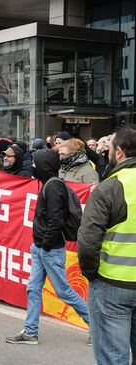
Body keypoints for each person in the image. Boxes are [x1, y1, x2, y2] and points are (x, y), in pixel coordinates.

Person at [6, 149, 89, 345]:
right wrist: (40, 245)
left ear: (43, 166)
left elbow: (56, 220)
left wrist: (45, 245)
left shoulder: (53, 187)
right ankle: (30, 332)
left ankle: (97, 326)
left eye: (35, 163)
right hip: (41, 247)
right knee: (33, 289)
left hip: (49, 249)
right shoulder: (49, 185)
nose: (32, 167)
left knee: (63, 291)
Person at [78, 126, 136, 364]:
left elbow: (88, 240)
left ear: (119, 152)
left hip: (112, 284)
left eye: (110, 148)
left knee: (114, 358)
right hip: (116, 284)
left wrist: (93, 275)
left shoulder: (109, 187)